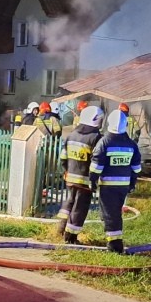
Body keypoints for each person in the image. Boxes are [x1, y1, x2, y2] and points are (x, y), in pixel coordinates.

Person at [90, 110, 142, 253]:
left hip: (108, 185)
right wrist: (132, 183)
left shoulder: (105, 142)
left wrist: (92, 180)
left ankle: (114, 245)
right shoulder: (131, 144)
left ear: (109, 123)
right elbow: (136, 168)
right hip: (123, 186)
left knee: (109, 214)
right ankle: (115, 239)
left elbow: (96, 165)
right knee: (114, 213)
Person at [57, 106, 104, 243]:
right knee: (80, 208)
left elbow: (63, 157)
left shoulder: (71, 135)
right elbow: (98, 160)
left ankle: (60, 228)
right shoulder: (96, 138)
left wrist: (66, 171)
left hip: (70, 178)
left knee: (70, 201)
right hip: (86, 181)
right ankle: (70, 238)